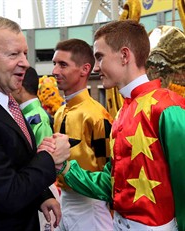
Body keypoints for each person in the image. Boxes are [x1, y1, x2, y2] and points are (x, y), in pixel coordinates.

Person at [43, 20, 185, 230]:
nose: (96, 67)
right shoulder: (121, 113)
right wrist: (64, 167)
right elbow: (111, 184)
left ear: (125, 55)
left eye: (100, 57)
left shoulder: (168, 107)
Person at [0, 15, 70, 231]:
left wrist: (42, 195)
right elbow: (7, 194)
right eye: (13, 54)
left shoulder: (4, 100)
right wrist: (50, 157)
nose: (25, 63)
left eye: (25, 53)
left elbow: (16, 162)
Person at [52, 38, 114, 231]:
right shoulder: (60, 112)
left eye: (63, 65)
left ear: (85, 69)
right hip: (65, 200)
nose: (55, 71)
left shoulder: (96, 114)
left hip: (91, 205)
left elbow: (110, 170)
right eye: (55, 64)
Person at [12, 66, 60, 231]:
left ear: (19, 86)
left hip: (40, 187)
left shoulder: (38, 117)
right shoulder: (25, 114)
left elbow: (44, 159)